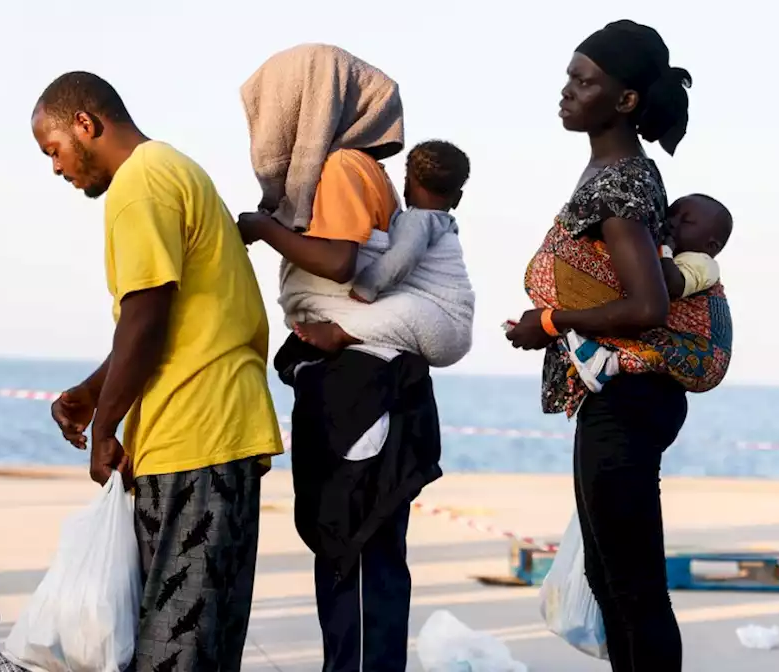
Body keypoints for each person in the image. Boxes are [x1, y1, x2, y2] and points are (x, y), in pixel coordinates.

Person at [32, 71, 283, 671]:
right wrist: (94, 393)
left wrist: (104, 428)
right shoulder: (174, 169)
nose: (57, 169)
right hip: (210, 434)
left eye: (55, 150)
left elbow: (146, 315)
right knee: (198, 645)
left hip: (195, 437)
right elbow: (163, 315)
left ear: (86, 126)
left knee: (174, 651)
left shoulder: (139, 184)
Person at [506, 20, 732, 671]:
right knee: (613, 586)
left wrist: (548, 324)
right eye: (570, 77)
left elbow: (646, 304)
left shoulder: (623, 182)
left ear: (625, 100)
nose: (568, 92)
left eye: (585, 81)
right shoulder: (611, 172)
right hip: (622, 399)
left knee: (631, 590)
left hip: (629, 399)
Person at [235, 43, 445, 672]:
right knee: (356, 551)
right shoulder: (353, 173)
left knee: (354, 551)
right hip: (358, 385)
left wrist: (261, 228)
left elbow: (339, 260)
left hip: (363, 391)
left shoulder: (346, 167)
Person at [292, 139, 473, 349]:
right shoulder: (441, 225)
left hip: (441, 324)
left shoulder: (419, 220)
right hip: (448, 325)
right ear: (457, 198)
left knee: (403, 309)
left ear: (406, 185)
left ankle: (338, 333)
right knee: (398, 311)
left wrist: (365, 287)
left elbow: (402, 258)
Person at [563, 193, 733, 391]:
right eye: (672, 215)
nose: (672, 222)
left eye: (686, 221)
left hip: (704, 354)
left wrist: (666, 248)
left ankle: (611, 364)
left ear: (710, 246)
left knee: (655, 354)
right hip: (672, 355)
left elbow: (671, 286)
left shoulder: (703, 263)